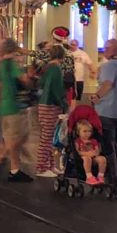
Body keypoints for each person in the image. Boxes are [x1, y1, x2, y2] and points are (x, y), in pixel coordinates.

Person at [0, 38, 33, 182]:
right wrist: (30, 77)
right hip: (14, 106)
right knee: (17, 139)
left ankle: (15, 170)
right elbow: (24, 80)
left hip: (4, 106)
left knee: (14, 139)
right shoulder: (11, 64)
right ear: (15, 50)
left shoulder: (1, 65)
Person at [91, 38, 117, 183]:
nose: (104, 50)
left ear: (115, 50)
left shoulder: (109, 66)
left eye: (107, 48)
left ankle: (112, 175)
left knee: (108, 145)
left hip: (107, 110)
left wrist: (96, 96)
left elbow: (107, 84)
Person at [35, 43, 68, 178]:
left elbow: (41, 84)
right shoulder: (56, 69)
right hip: (51, 105)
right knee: (47, 138)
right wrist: (63, 103)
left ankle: (50, 166)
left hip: (43, 104)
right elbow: (57, 89)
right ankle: (41, 167)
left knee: (47, 136)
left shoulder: (47, 68)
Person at [74, 120, 107, 185]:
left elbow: (97, 150)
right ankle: (89, 176)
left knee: (102, 159)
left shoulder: (93, 141)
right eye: (85, 131)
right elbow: (77, 152)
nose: (88, 133)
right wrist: (87, 154)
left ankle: (100, 176)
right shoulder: (78, 141)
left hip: (93, 157)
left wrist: (94, 153)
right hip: (82, 158)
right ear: (78, 132)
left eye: (89, 131)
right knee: (87, 159)